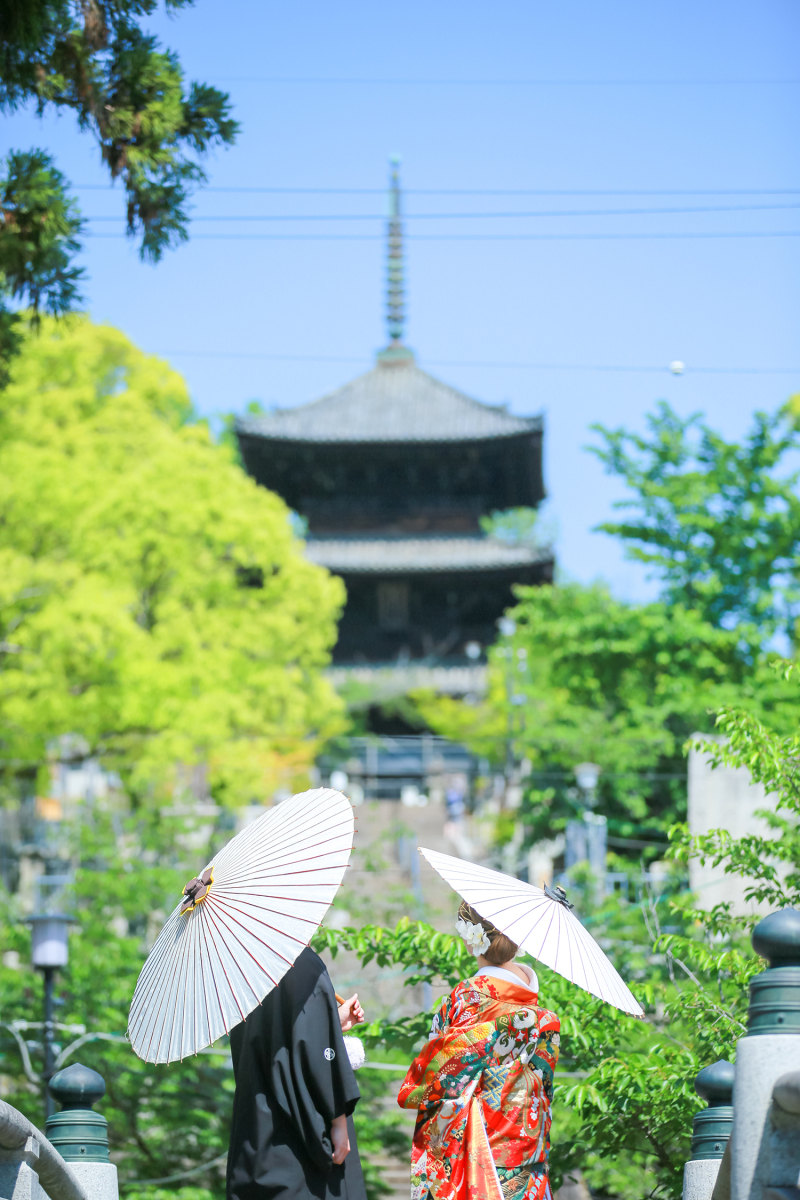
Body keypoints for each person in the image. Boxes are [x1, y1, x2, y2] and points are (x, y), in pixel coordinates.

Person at [398, 901, 560, 1200]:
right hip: (526, 1146)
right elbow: (544, 1088)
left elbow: (438, 1075)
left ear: (471, 937)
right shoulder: (545, 1019)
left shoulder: (465, 999)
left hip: (475, 1144)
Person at [227, 946, 367, 1200]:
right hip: (299, 1143)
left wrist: (330, 1021)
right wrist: (338, 1122)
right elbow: (313, 1058)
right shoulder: (301, 964)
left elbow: (279, 1039)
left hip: (254, 1136)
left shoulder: (243, 968)